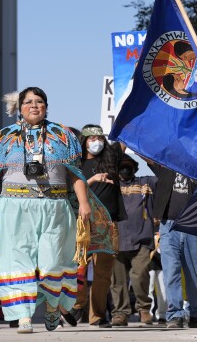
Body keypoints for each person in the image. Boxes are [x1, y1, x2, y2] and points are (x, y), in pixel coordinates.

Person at [0, 87, 102, 334]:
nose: (34, 106)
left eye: (39, 101)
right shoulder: (4, 137)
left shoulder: (63, 135)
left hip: (54, 208)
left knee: (53, 262)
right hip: (14, 209)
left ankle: (53, 305)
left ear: (46, 106)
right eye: (28, 102)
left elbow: (75, 174)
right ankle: (23, 317)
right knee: (17, 261)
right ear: (20, 107)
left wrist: (84, 203)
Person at [69, 124, 127, 328]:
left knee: (103, 273)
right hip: (83, 223)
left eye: (100, 138)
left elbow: (125, 136)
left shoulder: (111, 159)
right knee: (79, 268)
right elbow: (72, 190)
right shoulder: (75, 164)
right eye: (92, 139)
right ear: (83, 141)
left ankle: (98, 316)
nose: (97, 142)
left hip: (108, 223)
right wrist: (92, 179)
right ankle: (76, 308)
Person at [150, 164, 197, 329]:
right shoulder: (164, 164)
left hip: (193, 225)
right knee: (170, 271)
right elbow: (145, 151)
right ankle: (175, 314)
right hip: (168, 225)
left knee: (194, 273)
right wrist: (125, 138)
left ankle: (194, 312)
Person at [109, 154, 157, 327]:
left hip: (142, 239)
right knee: (117, 282)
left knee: (140, 276)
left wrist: (145, 155)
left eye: (129, 167)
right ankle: (120, 314)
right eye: (122, 166)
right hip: (116, 241)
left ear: (135, 169)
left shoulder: (146, 183)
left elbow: (163, 174)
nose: (125, 169)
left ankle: (144, 309)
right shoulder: (111, 186)